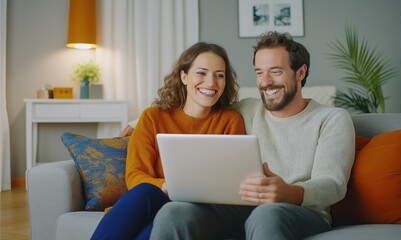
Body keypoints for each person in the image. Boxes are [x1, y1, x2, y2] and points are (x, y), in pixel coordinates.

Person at [121, 31, 356, 240]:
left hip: (302, 211)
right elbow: (199, 104)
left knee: (266, 215)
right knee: (175, 211)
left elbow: (333, 184)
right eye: (259, 73)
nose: (265, 82)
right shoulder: (249, 109)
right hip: (242, 207)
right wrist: (138, 122)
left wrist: (291, 192)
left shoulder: (332, 119)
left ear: (300, 72)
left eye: (275, 72)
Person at [91, 42, 246, 240]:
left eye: (219, 75)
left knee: (151, 230)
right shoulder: (152, 118)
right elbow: (135, 176)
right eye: (202, 73)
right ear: (184, 76)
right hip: (154, 199)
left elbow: (230, 181)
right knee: (145, 192)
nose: (211, 82)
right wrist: (167, 186)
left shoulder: (231, 121)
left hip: (197, 210)